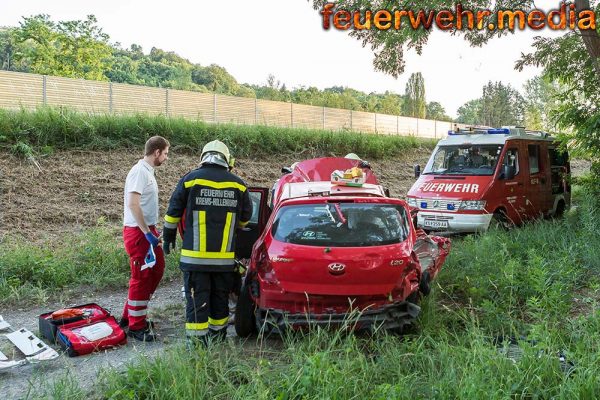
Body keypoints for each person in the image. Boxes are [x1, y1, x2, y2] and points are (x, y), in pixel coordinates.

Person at [162, 140, 252, 346]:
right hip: (224, 262)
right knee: (220, 300)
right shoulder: (238, 184)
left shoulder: (190, 180)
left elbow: (172, 212)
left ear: (203, 157)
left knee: (196, 300)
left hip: (195, 260)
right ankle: (218, 339)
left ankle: (197, 346)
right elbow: (246, 217)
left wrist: (168, 237)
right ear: (227, 160)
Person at [121, 135, 170, 342]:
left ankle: (130, 316)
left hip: (148, 230)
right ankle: (136, 326)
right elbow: (133, 204)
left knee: (156, 271)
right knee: (140, 278)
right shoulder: (140, 172)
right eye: (166, 153)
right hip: (139, 232)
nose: (167, 158)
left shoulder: (147, 172)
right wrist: (147, 233)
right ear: (156, 152)